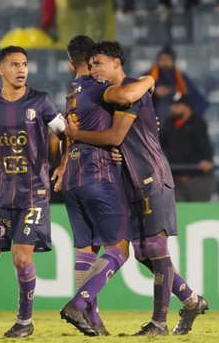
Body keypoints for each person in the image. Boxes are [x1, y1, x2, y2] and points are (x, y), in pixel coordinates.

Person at [65, 41, 209, 336]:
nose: (93, 69)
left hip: (151, 177)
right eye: (90, 65)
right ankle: (192, 301)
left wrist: (76, 134)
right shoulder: (110, 96)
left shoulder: (134, 90)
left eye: (99, 63)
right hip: (128, 181)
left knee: (155, 248)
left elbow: (116, 134)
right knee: (143, 252)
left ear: (116, 63)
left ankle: (158, 323)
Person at [0, 46, 67, 339]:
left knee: (21, 258)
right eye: (14, 64)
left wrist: (61, 167)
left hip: (33, 193)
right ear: (1, 69)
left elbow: (65, 133)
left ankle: (25, 320)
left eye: (24, 64)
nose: (21, 70)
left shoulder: (41, 101)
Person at [58, 35, 155, 336]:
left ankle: (95, 322)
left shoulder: (71, 93)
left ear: (68, 62)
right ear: (91, 63)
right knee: (120, 248)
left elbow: (66, 134)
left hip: (72, 176)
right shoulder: (101, 89)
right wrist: (149, 79)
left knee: (86, 250)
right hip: (97, 173)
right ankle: (79, 303)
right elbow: (126, 97)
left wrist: (61, 166)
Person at [159, 94, 215, 202]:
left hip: (196, 177)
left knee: (199, 210)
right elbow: (161, 143)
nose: (172, 108)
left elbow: (204, 145)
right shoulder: (169, 123)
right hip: (175, 177)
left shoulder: (197, 123)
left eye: (177, 105)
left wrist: (207, 160)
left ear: (186, 107)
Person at [146, 46, 207, 123]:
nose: (165, 62)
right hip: (154, 114)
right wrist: (154, 92)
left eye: (167, 59)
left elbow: (197, 99)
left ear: (173, 61)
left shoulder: (181, 78)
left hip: (177, 118)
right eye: (162, 59)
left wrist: (187, 111)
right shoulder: (148, 77)